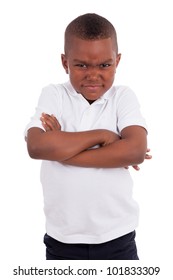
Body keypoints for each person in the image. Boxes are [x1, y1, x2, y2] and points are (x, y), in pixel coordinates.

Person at [25, 13, 151, 260]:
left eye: (105, 65)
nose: (93, 75)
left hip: (118, 237)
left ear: (117, 61)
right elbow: (37, 146)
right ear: (65, 62)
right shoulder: (54, 95)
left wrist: (62, 148)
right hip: (62, 239)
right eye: (81, 65)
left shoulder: (122, 97)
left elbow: (135, 151)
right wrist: (104, 136)